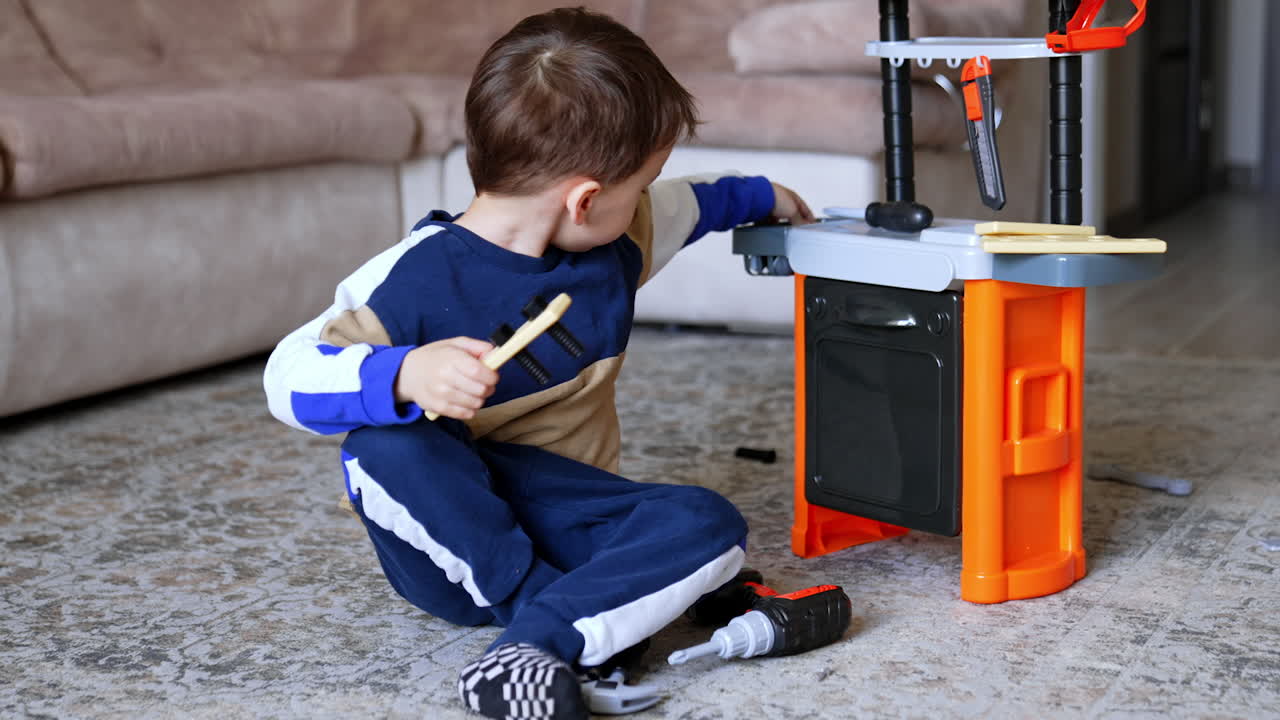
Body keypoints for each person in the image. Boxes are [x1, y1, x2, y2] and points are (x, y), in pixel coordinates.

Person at [263, 7, 814, 720]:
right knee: (384, 444)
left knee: (708, 521)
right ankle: (556, 622)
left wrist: (764, 197)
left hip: (572, 519)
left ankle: (534, 646)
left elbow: (693, 203)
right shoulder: (409, 282)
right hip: (455, 553)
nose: (646, 199)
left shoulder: (619, 239)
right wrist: (400, 374)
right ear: (584, 201)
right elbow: (286, 375)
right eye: (637, 185)